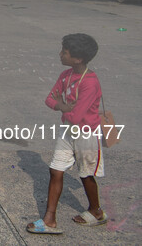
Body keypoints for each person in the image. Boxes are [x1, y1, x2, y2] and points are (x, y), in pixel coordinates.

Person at [27, 33, 106, 234]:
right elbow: (49, 100)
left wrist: (60, 105)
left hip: (86, 135)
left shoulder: (90, 82)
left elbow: (78, 115)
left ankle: (96, 211)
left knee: (86, 174)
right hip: (67, 131)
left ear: (78, 59)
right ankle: (49, 220)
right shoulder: (66, 75)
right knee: (55, 169)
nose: (60, 54)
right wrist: (64, 106)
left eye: (65, 52)